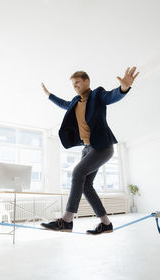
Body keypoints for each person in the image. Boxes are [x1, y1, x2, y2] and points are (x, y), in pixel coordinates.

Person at [41, 67, 139, 234]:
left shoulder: (97, 95)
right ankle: (106, 224)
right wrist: (49, 95)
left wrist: (124, 88)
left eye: (77, 82)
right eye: (73, 84)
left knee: (77, 172)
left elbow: (111, 96)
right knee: (86, 186)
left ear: (87, 81)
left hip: (102, 146)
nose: (75, 86)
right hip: (87, 149)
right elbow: (64, 104)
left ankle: (67, 220)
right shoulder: (75, 101)